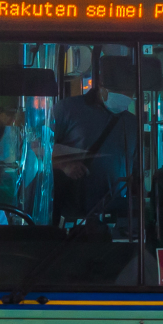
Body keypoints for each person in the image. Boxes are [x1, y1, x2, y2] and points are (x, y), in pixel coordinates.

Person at [51, 54, 139, 222]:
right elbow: (37, 150)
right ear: (100, 85)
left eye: (128, 92)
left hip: (115, 213)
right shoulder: (68, 110)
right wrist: (64, 166)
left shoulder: (132, 123)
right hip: (71, 213)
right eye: (118, 90)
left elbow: (134, 170)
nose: (124, 95)